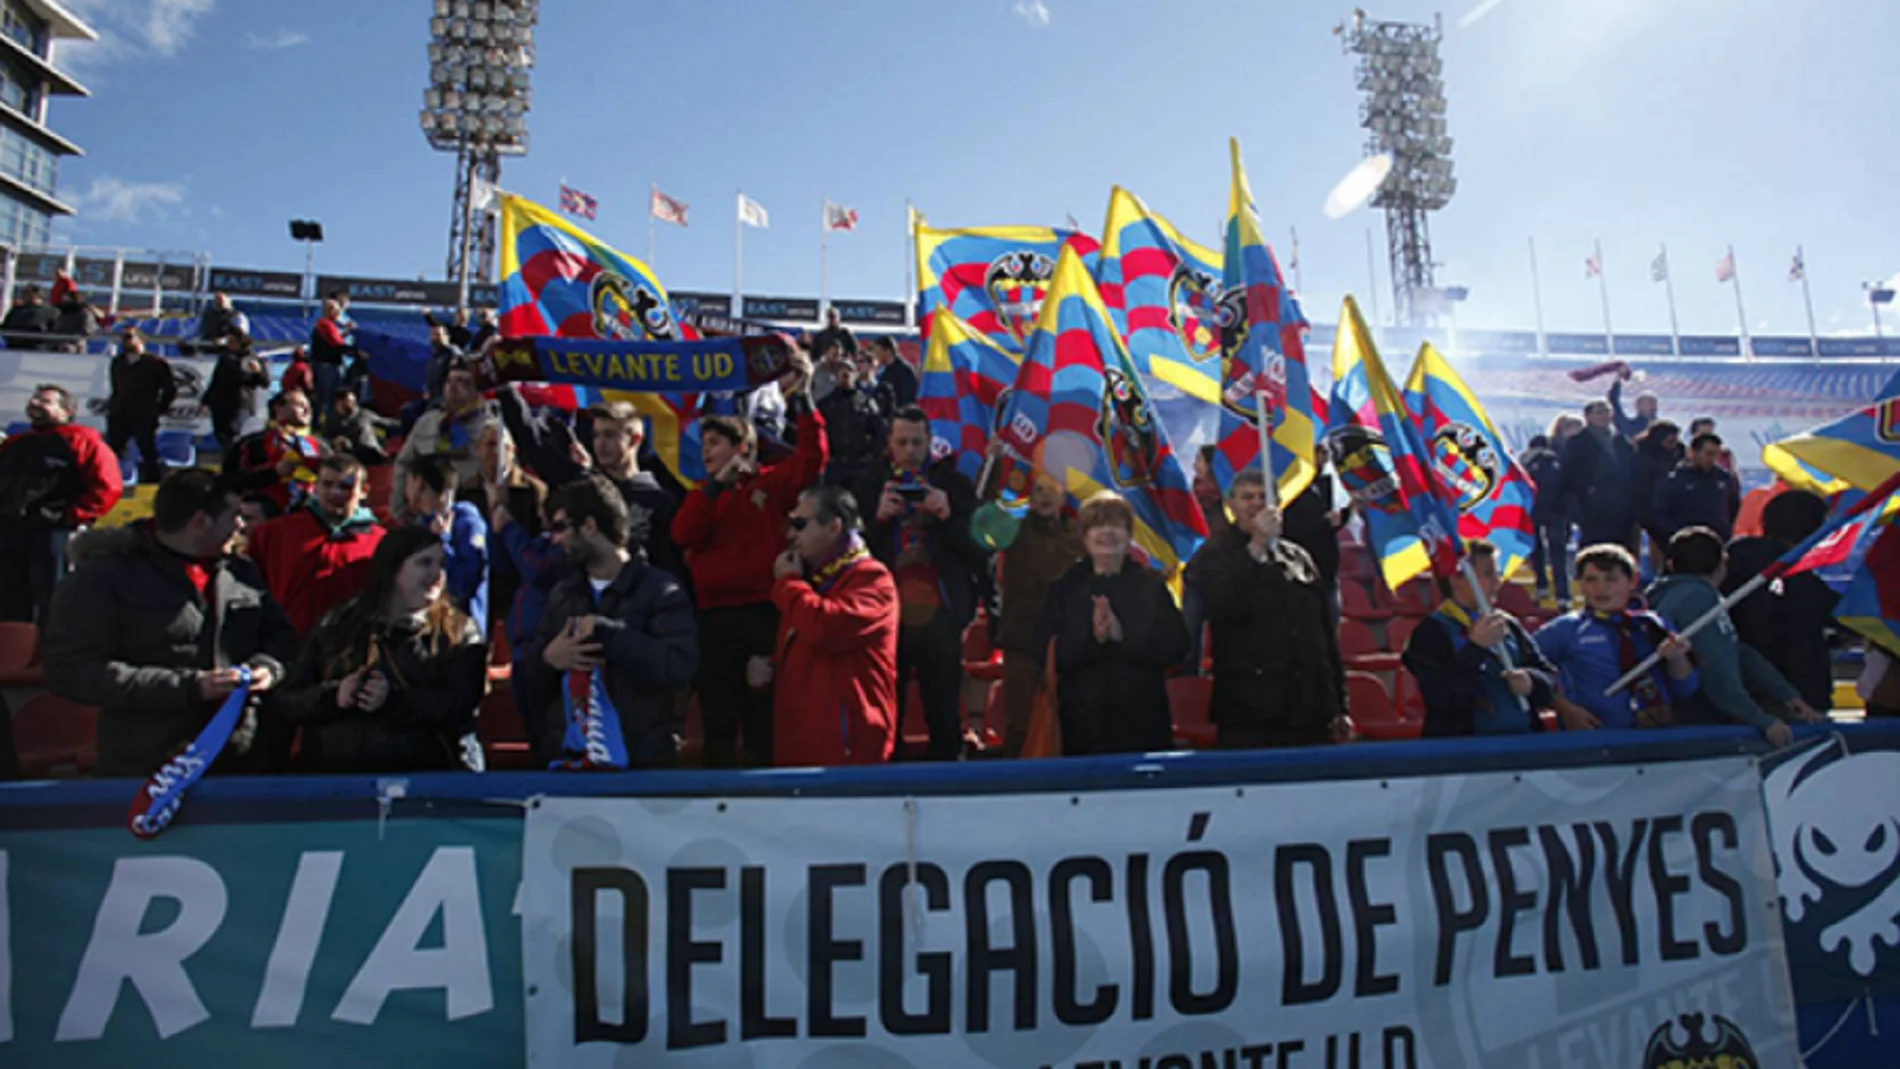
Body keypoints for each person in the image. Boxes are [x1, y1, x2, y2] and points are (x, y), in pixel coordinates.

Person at [42, 469, 297, 777]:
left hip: (242, 756)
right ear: (201, 522)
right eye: (234, 516)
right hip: (147, 765)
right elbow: (71, 671)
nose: (241, 526)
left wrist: (267, 668)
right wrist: (189, 687)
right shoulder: (102, 578)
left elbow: (282, 638)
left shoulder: (241, 572)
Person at [671, 363, 826, 768]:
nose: (706, 451)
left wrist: (805, 398)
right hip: (714, 621)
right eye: (704, 443)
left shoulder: (770, 484)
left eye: (715, 443)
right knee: (717, 722)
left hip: (762, 615)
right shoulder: (703, 495)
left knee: (763, 716)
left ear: (742, 448)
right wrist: (719, 486)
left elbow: (812, 460)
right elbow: (683, 534)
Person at [276, 524, 487, 773]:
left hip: (423, 776)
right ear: (393, 567)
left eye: (441, 563)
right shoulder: (338, 624)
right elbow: (289, 699)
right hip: (338, 777)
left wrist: (393, 701)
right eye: (424, 563)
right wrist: (335, 696)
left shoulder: (458, 631)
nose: (437, 574)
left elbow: (461, 706)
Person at [523, 475, 697, 769]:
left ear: (590, 526)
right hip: (569, 766)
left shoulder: (661, 590)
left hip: (639, 767)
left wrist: (611, 636)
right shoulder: (563, 595)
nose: (556, 539)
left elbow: (678, 666)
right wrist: (548, 659)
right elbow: (530, 677)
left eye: (562, 527)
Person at [855, 406, 987, 760]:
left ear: (930, 443)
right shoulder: (868, 482)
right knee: (886, 712)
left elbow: (979, 553)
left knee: (943, 711)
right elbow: (846, 554)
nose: (910, 450)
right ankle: (888, 786)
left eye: (917, 442)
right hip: (886, 616)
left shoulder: (954, 484)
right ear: (889, 444)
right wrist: (878, 520)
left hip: (940, 614)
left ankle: (949, 789)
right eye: (902, 442)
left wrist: (946, 515)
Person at [1188, 472, 1350, 749]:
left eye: (1264, 497)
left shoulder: (1298, 557)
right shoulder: (1213, 555)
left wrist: (1339, 705)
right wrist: (1256, 550)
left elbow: (1323, 636)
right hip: (1250, 711)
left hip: (1309, 708)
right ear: (1231, 506)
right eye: (1247, 497)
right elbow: (1223, 606)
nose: (1256, 504)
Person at [1041, 491, 1190, 756]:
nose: (1107, 533)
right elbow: (1050, 653)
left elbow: (1176, 648)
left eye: (1116, 525)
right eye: (1097, 525)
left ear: (1129, 535)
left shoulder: (1152, 587)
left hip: (1143, 724)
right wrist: (1094, 639)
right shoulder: (1064, 589)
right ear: (1084, 536)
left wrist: (1123, 636)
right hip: (1082, 726)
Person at [765, 484, 899, 766]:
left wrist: (788, 585)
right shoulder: (810, 583)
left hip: (848, 753)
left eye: (800, 525)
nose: (792, 535)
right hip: (800, 747)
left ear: (834, 526)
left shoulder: (872, 579)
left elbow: (826, 628)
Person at [1647, 527, 1818, 746]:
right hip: (1696, 725)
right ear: (1723, 563)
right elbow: (1717, 670)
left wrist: (1784, 694)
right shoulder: (1700, 601)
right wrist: (1761, 719)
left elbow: (1735, 650)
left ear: (1670, 564)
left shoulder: (1659, 597)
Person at [496, 388, 683, 585]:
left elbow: (669, 567)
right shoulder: (584, 486)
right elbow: (534, 443)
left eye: (609, 435)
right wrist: (505, 390)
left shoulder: (659, 500)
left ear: (635, 440)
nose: (600, 444)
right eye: (596, 435)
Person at [1534, 543, 1699, 732]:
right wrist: (1566, 710)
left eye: (1611, 579)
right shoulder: (1566, 629)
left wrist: (1676, 658)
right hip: (1596, 737)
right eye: (1590, 580)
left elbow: (1686, 687)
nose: (1600, 588)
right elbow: (1528, 672)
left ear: (1632, 581)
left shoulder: (1652, 625)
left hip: (1655, 735)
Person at [1402, 540, 1556, 737]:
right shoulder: (1431, 632)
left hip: (1522, 741)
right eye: (1488, 574)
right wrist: (1475, 648)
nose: (1497, 582)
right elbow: (1442, 699)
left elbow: (1548, 678)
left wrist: (1532, 681)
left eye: (1497, 573)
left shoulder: (1507, 623)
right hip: (1466, 751)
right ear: (1456, 578)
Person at [0, 383, 123, 624]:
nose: (35, 403)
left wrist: (70, 516)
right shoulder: (15, 443)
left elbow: (108, 486)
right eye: (34, 399)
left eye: (45, 401)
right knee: (9, 603)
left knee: (54, 601)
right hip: (10, 533)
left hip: (52, 534)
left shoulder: (82, 440)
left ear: (67, 411)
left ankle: (56, 656)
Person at [1724, 490, 1838, 713]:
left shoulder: (1731, 562)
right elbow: (1839, 614)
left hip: (1740, 689)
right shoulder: (1796, 576)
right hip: (1795, 696)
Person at [246, 454, 385, 637]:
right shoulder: (275, 533)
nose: (335, 493)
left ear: (364, 491)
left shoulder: (379, 541)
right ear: (315, 487)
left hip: (346, 645)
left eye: (345, 487)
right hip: (286, 643)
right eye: (327, 484)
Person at [993, 470, 1082, 756]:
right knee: (1018, 723)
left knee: (1068, 721)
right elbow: (986, 518)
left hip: (1067, 640)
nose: (1045, 496)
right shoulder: (1014, 531)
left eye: (1051, 489)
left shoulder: (1079, 535)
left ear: (1064, 494)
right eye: (1038, 490)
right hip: (1022, 637)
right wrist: (996, 465)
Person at [392, 360, 498, 515]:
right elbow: (404, 464)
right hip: (425, 510)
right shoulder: (428, 422)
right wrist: (399, 509)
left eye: (464, 382)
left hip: (473, 509)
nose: (453, 386)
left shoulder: (491, 427)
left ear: (478, 389)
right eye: (449, 380)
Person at [401, 453, 489, 627]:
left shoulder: (467, 523)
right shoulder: (419, 525)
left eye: (408, 482)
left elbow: (463, 585)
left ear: (419, 484)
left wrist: (443, 542)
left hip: (460, 627)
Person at [1281, 444, 1350, 631]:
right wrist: (1323, 522)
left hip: (1327, 568)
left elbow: (1341, 512)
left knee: (1330, 626)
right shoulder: (1289, 485)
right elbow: (1288, 526)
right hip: (1297, 570)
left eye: (1326, 453)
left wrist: (1343, 515)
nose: (1325, 457)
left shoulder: (1330, 483)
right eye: (1320, 452)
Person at [1561, 400, 1639, 552]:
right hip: (1593, 509)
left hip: (1622, 508)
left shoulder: (1622, 440)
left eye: (1607, 411)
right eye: (1599, 412)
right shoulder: (1577, 443)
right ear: (1588, 417)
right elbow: (1570, 476)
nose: (1604, 416)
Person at [229, 390, 326, 512]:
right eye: (300, 405)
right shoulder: (253, 443)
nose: (307, 410)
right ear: (279, 409)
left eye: (308, 405)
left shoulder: (320, 446)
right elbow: (230, 481)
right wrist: (274, 473)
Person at [105, 328, 177, 485]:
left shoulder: (156, 363)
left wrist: (160, 408)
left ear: (141, 340)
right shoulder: (118, 361)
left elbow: (169, 389)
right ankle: (109, 478)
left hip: (144, 412)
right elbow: (116, 386)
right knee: (113, 449)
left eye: (130, 337)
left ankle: (152, 480)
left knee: (147, 447)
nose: (126, 341)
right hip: (120, 412)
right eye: (124, 338)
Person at [817, 343, 889, 490]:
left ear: (855, 375)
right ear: (835, 376)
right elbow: (818, 432)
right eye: (841, 372)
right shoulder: (825, 404)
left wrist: (870, 457)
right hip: (834, 465)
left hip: (859, 465)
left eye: (849, 372)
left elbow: (880, 432)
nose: (845, 376)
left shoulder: (867, 403)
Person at [1652, 433, 1740, 544]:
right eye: (1708, 454)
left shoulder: (1725, 479)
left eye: (1716, 454)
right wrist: (1675, 535)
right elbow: (1660, 514)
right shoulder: (1675, 480)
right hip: (1685, 545)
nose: (1712, 459)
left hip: (1719, 543)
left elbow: (1734, 509)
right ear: (1692, 453)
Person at [1519, 430, 1569, 605]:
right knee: (1558, 552)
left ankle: (1542, 585)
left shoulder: (1524, 460)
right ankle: (1563, 593)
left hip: (1533, 509)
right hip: (1556, 510)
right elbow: (1567, 486)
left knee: (1537, 548)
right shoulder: (1557, 459)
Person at [200, 334, 271, 453]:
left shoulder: (252, 359)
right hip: (219, 404)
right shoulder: (225, 358)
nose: (229, 344)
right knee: (222, 437)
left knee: (234, 436)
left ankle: (233, 464)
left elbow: (265, 382)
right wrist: (205, 401)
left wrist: (258, 371)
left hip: (239, 403)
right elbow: (216, 380)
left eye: (232, 341)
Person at [1632, 420, 1683, 568]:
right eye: (1669, 440)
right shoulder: (1642, 453)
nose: (1672, 443)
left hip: (1670, 507)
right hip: (1644, 505)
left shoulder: (1679, 452)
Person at [323, 388, 396, 467]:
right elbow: (324, 442)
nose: (352, 405)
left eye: (353, 402)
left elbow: (386, 423)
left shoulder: (363, 415)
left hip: (371, 455)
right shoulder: (332, 422)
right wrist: (335, 441)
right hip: (348, 461)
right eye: (348, 402)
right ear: (338, 404)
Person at [308, 298, 354, 416]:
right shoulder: (325, 325)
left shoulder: (326, 325)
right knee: (327, 396)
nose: (337, 313)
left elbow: (336, 339)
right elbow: (336, 344)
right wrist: (356, 352)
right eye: (334, 310)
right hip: (327, 365)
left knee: (324, 396)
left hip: (326, 364)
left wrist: (347, 332)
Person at [869, 336, 918, 410]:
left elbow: (907, 397)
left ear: (888, 351)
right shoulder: (884, 371)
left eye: (878, 352)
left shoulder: (904, 371)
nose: (876, 355)